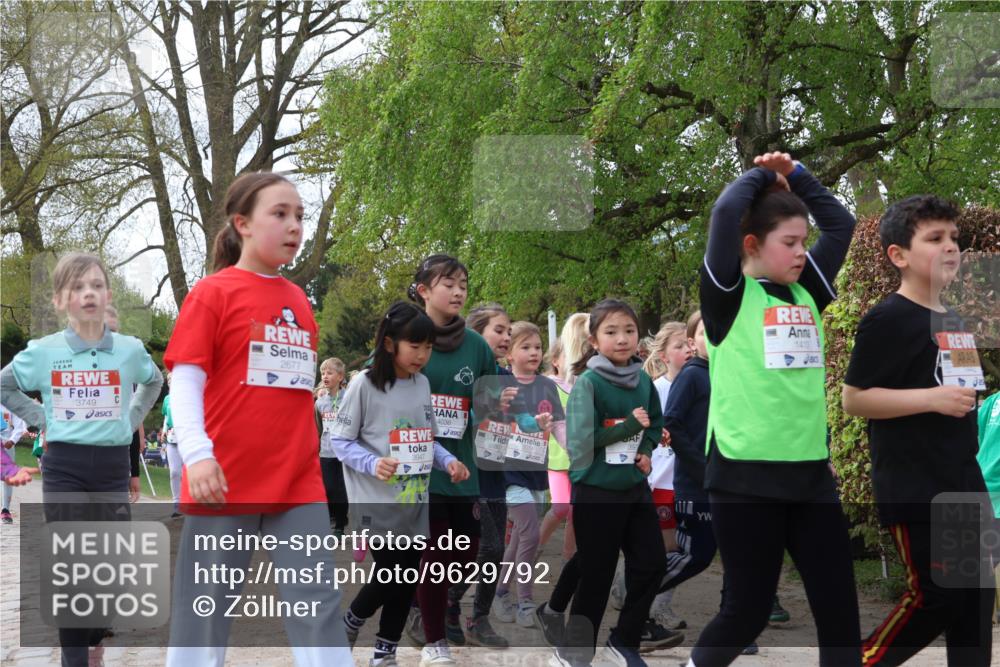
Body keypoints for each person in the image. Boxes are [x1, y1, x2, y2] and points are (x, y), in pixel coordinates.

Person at [162, 172, 350, 666]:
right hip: (223, 481)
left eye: (300, 216)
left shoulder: (299, 303)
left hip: (297, 483)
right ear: (241, 223)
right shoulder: (212, 293)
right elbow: (185, 381)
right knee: (203, 618)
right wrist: (198, 456)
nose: (294, 226)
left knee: (320, 610)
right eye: (280, 214)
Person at [687, 151, 860, 667]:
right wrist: (765, 174)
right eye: (789, 243)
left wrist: (799, 177)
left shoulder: (807, 292)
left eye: (803, 243)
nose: (802, 253)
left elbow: (842, 224)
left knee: (840, 611)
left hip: (810, 476)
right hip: (744, 478)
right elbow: (724, 212)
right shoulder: (728, 297)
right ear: (751, 245)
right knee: (748, 610)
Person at [842, 194, 993, 666]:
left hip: (963, 481)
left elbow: (963, 394)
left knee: (973, 605)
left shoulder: (954, 320)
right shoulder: (886, 319)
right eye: (935, 238)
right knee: (935, 597)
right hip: (916, 485)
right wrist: (930, 399)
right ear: (898, 256)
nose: (951, 247)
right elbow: (854, 398)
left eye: (954, 238)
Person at [0, 251, 163, 667]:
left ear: (107, 293)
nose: (88, 293)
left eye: (95, 285)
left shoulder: (129, 350)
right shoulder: (43, 351)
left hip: (110, 466)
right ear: (60, 301)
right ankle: (76, 657)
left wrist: (131, 419)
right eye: (77, 288)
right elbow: (4, 386)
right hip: (65, 467)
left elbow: (154, 380)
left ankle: (96, 633)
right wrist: (42, 418)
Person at [539, 299, 680, 667]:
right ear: (594, 340)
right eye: (612, 332)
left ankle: (624, 642)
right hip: (596, 490)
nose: (622, 339)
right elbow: (583, 442)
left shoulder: (643, 381)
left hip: (634, 488)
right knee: (597, 577)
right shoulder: (589, 383)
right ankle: (572, 654)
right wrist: (629, 427)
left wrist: (647, 449)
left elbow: (655, 422)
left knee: (651, 565)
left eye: (629, 331)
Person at [332, 301, 469, 667]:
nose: (422, 355)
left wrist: (449, 461)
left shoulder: (422, 384)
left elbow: (428, 439)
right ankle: (350, 621)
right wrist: (373, 462)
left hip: (414, 499)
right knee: (394, 573)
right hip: (372, 501)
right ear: (390, 343)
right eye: (415, 346)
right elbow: (340, 442)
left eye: (428, 348)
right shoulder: (364, 384)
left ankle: (383, 652)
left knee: (406, 580)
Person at [443, 303, 513, 648]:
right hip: (469, 474)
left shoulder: (508, 377)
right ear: (476, 333)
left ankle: (478, 618)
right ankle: (448, 601)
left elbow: (522, 427)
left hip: (497, 473)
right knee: (482, 547)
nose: (506, 337)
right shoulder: (465, 370)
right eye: (498, 330)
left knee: (495, 552)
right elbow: (459, 422)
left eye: (509, 331)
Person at [492, 321, 563, 627]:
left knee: (519, 538)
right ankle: (525, 602)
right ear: (510, 354)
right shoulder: (503, 385)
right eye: (526, 347)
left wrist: (577, 453)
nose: (534, 352)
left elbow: (559, 426)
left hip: (537, 472)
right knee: (531, 533)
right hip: (508, 473)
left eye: (537, 347)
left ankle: (499, 593)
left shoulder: (548, 386)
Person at [538, 313, 589, 562]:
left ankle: (571, 558)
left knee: (576, 513)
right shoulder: (549, 384)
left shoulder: (585, 383)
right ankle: (535, 545)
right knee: (560, 507)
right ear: (556, 360)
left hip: (581, 458)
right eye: (570, 355)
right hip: (557, 458)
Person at [316, 357, 349, 534]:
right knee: (328, 488)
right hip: (326, 452)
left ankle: (340, 525)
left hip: (345, 453)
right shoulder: (320, 402)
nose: (325, 376)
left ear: (340, 376)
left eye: (330, 372)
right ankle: (332, 518)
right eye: (323, 373)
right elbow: (318, 427)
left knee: (341, 489)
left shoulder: (349, 400)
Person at [159, 372, 182, 516]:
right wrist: (164, 431)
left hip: (186, 438)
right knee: (174, 472)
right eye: (168, 380)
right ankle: (176, 503)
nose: (170, 382)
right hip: (171, 439)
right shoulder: (167, 399)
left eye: (173, 380)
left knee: (187, 473)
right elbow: (166, 417)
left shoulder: (187, 396)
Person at [1, 404, 27, 523]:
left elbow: (19, 426)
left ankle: (5, 510)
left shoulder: (10, 404)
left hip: (6, 444)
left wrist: (12, 440)